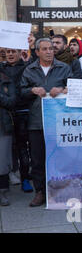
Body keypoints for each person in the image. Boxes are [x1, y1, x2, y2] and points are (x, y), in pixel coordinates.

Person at [20, 38, 72, 207]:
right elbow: (21, 91)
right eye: (45, 49)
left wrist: (63, 90)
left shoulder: (64, 68)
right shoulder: (29, 70)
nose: (49, 51)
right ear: (37, 52)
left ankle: (61, 189)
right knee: (37, 159)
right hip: (37, 121)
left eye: (51, 48)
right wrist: (32, 90)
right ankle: (40, 192)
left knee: (61, 156)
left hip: (59, 121)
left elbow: (75, 87)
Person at [1, 49, 33, 193]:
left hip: (22, 111)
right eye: (8, 51)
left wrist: (29, 54)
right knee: (8, 147)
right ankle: (9, 174)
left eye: (14, 51)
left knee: (22, 147)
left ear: (20, 53)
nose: (10, 54)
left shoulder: (26, 66)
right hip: (6, 113)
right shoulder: (2, 67)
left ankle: (25, 178)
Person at [0, 67, 17, 206]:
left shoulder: (6, 81)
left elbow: (11, 102)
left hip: (3, 125)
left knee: (2, 161)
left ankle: (3, 191)